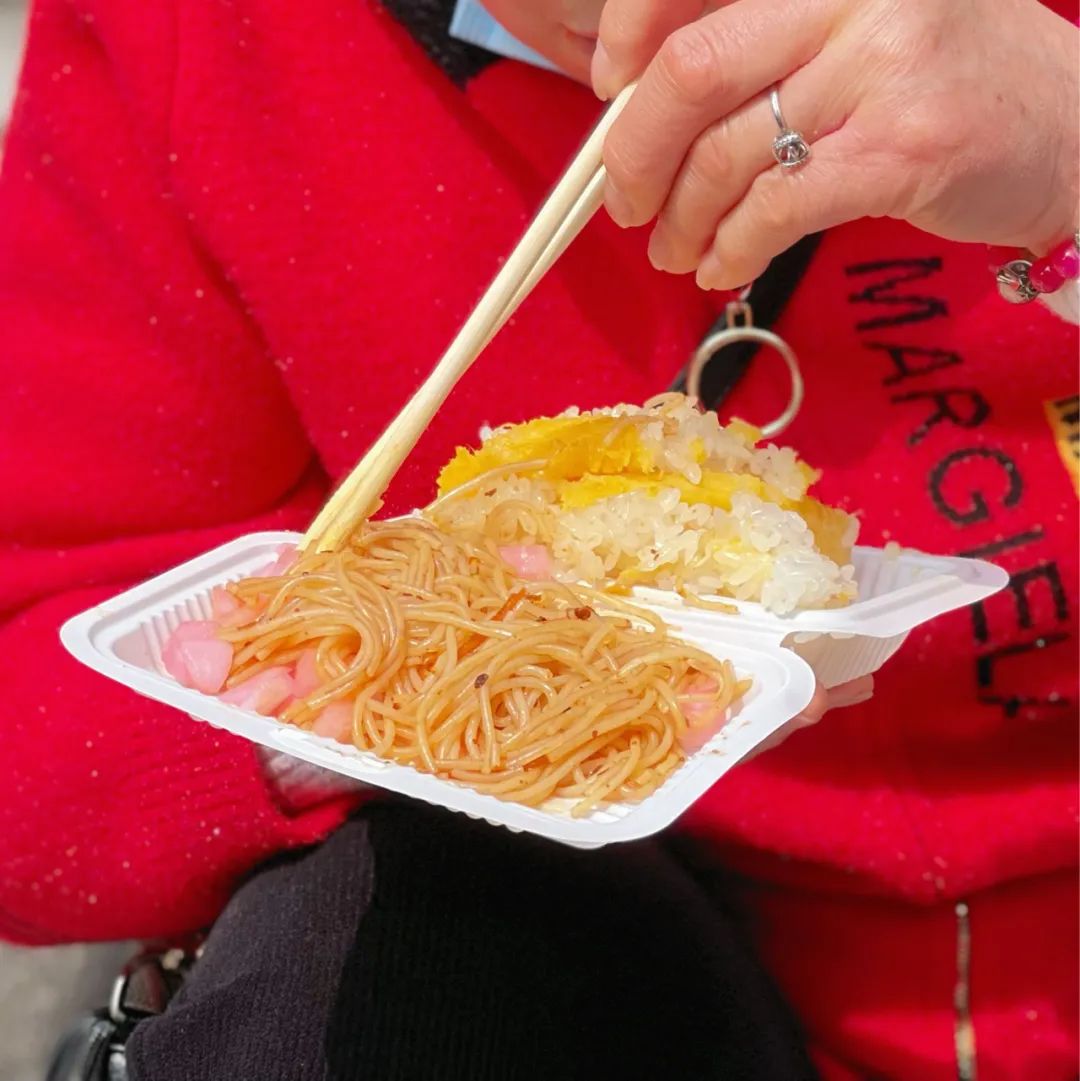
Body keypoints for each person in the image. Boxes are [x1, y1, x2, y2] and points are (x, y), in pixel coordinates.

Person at [1, 0, 1075, 1078]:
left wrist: (1062, 149)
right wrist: (366, 696)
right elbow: (27, 743)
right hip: (637, 960)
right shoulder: (199, 35)